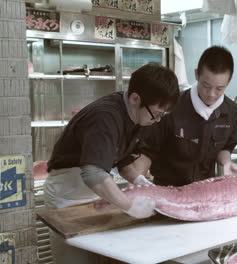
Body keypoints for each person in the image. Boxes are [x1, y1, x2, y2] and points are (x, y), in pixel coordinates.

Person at [43, 63, 179, 263]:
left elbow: (122, 160)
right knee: (75, 260)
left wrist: (139, 180)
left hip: (98, 194)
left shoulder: (138, 119)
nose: (158, 120)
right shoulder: (105, 116)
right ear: (135, 99)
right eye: (157, 114)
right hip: (68, 196)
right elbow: (93, 172)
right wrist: (129, 205)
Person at [134, 46, 237, 186]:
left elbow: (225, 148)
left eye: (219, 88)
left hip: (205, 190)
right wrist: (137, 181)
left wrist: (226, 163)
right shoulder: (171, 106)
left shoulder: (232, 112)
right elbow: (147, 150)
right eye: (206, 86)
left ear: (228, 82)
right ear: (197, 74)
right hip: (167, 189)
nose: (211, 94)